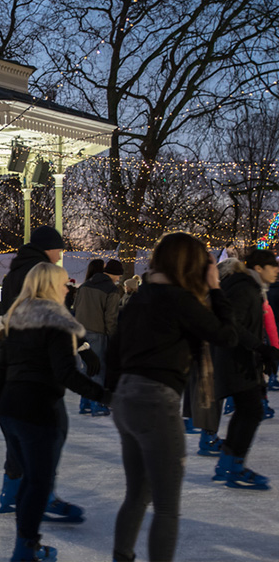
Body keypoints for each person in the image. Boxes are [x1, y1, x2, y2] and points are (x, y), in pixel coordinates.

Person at [106, 232, 237, 562]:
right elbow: (227, 335)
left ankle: (121, 557)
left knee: (138, 492)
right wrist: (217, 289)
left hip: (126, 398)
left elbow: (114, 353)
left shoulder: (141, 297)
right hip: (155, 402)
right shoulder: (180, 300)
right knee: (166, 506)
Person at [0, 262, 111, 561]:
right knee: (37, 485)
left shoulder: (15, 318)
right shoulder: (54, 321)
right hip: (38, 412)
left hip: (11, 411)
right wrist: (104, 395)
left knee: (30, 482)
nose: (68, 287)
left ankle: (26, 546)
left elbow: (0, 365)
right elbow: (66, 373)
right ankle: (25, 550)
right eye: (64, 283)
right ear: (51, 286)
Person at [205, 250, 278, 489]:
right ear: (258, 268)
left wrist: (261, 351)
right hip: (235, 358)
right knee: (252, 410)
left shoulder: (249, 287)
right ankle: (233, 466)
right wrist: (260, 347)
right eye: (272, 266)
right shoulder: (246, 288)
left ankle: (227, 463)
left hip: (240, 357)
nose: (276, 270)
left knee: (248, 410)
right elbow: (232, 322)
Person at [73, 258, 123, 416]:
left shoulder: (85, 286)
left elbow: (76, 307)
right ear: (115, 275)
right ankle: (97, 403)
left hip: (80, 332)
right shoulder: (111, 290)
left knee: (87, 368)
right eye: (119, 276)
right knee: (98, 368)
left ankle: (85, 402)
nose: (118, 279)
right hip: (97, 332)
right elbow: (111, 317)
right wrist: (113, 338)